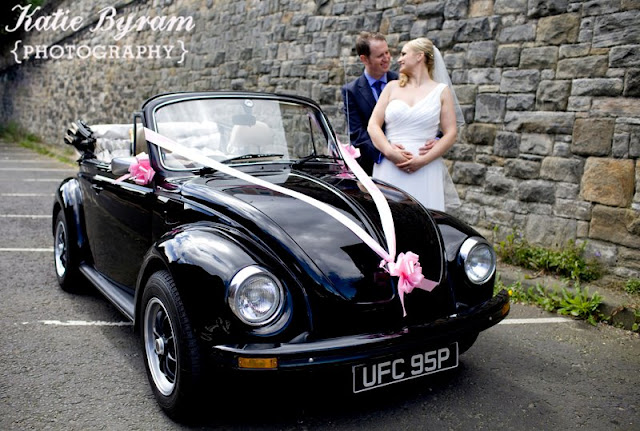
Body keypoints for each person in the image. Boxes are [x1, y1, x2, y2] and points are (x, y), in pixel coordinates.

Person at [367, 37, 464, 211]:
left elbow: (450, 133)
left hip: (425, 169)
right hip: (390, 165)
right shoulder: (392, 87)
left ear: (419, 56)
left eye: (404, 54)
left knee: (424, 217)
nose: (398, 59)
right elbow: (373, 125)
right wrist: (390, 152)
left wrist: (423, 160)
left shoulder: (441, 91)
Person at [341, 32, 398, 175]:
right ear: (364, 59)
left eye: (387, 52)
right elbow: (357, 134)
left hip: (406, 157)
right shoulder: (351, 91)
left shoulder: (401, 81)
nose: (386, 58)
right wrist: (387, 153)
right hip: (374, 165)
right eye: (380, 56)